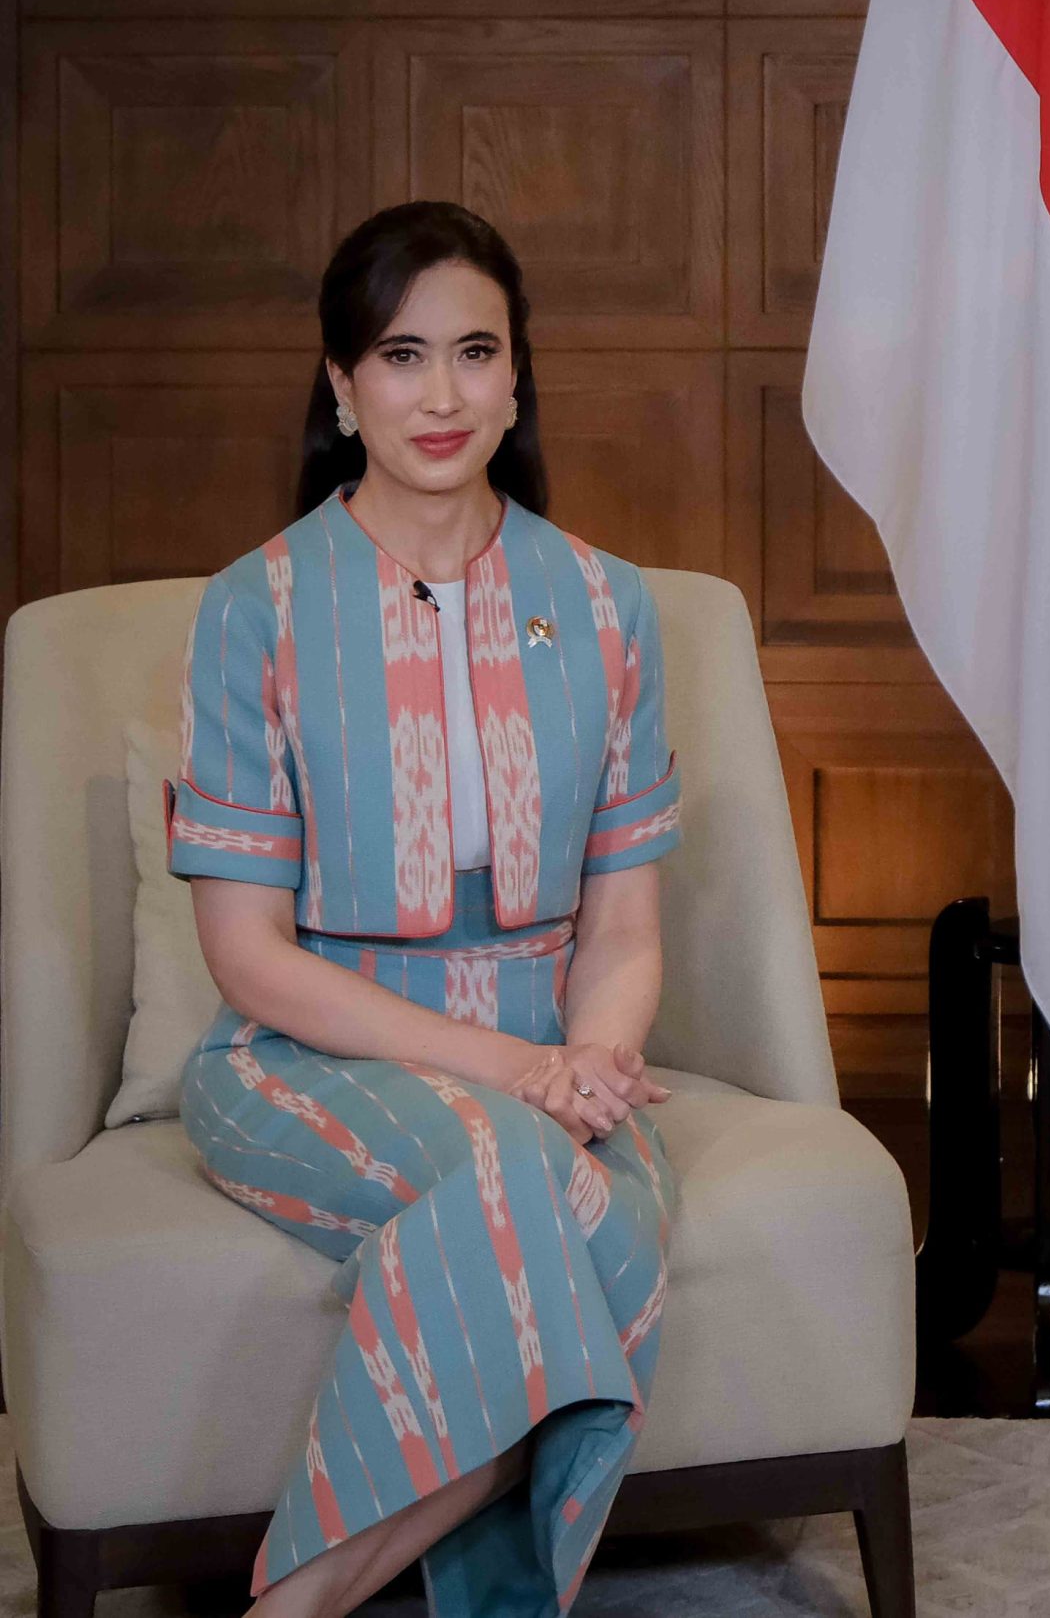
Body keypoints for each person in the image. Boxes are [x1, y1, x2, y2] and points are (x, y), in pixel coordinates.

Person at [170, 200, 684, 1617]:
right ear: (343, 387)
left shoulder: (607, 604)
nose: (442, 395)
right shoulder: (256, 607)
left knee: (594, 1209)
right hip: (308, 1051)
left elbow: (623, 927)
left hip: (554, 1057)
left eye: (475, 351)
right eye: (401, 357)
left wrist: (589, 1060)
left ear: (518, 378)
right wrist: (521, 1074)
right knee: (538, 1190)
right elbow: (247, 958)